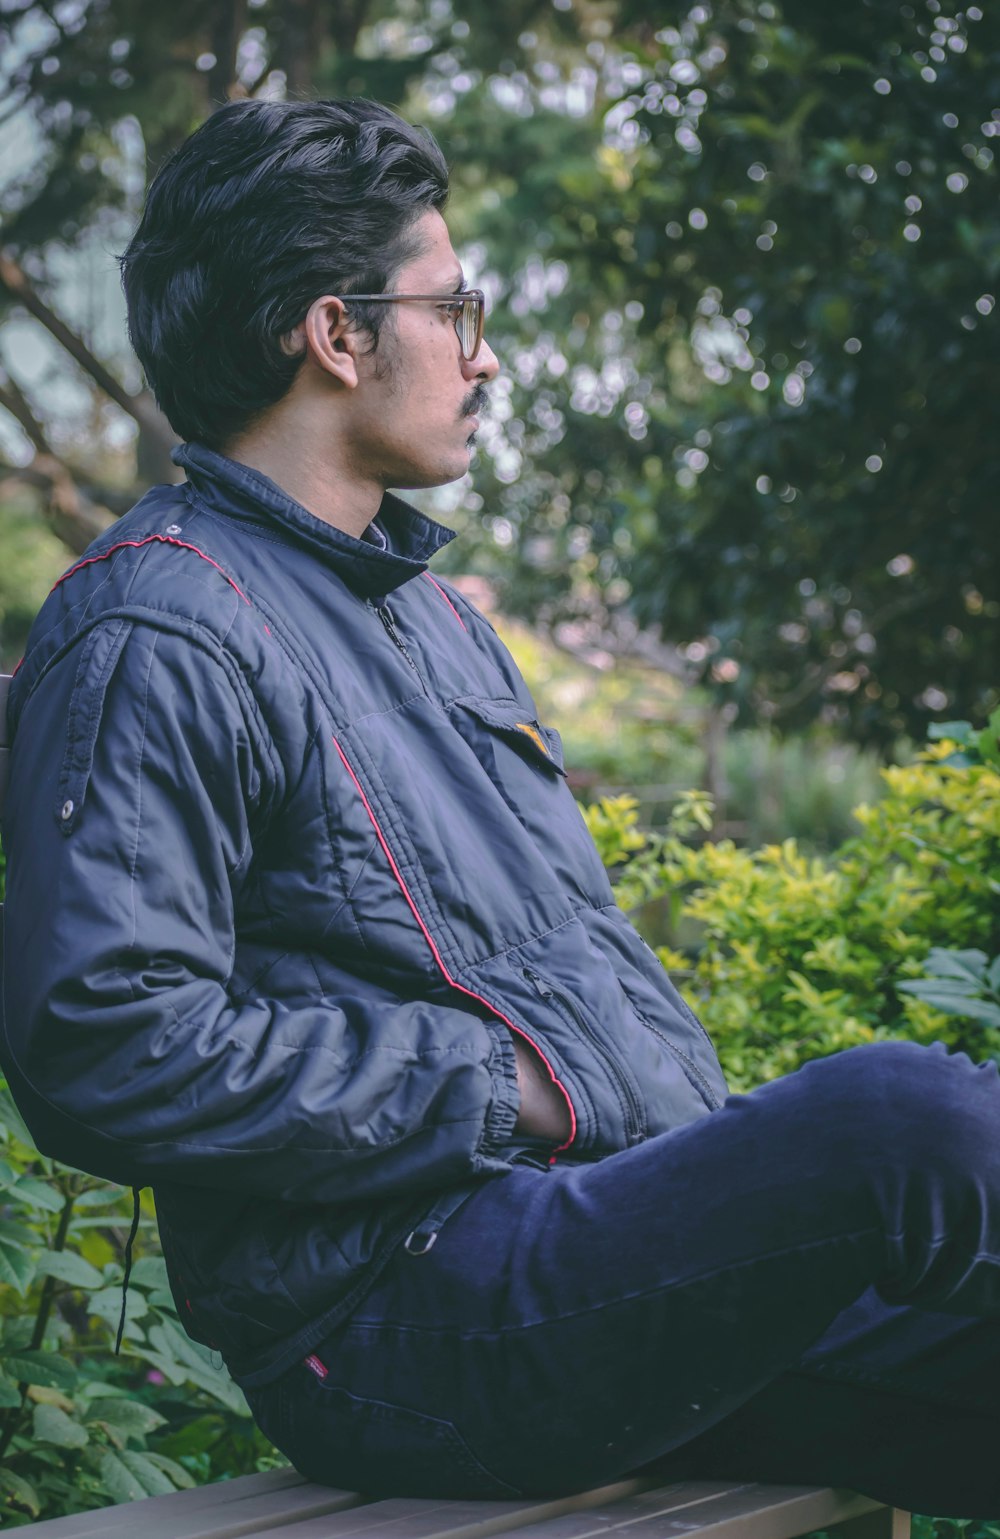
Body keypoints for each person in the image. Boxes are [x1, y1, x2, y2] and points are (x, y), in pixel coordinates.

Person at [2, 97, 1000, 1520]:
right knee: (902, 1122)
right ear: (336, 335)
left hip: (604, 1257)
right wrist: (491, 1085)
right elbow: (103, 1043)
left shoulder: (431, 624)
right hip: (409, 1320)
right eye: (454, 305)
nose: (486, 353)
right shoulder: (162, 623)